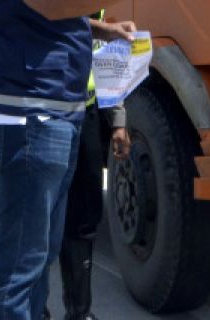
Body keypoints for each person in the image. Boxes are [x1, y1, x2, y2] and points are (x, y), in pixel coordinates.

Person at [0, 0, 210, 320]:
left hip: (59, 115)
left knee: (42, 249)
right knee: (22, 261)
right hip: (32, 118)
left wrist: (102, 27)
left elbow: (51, 13)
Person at [58, 70, 130, 320]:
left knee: (85, 213)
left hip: (87, 111)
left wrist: (118, 120)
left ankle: (79, 312)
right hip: (45, 112)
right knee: (41, 214)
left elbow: (107, 61)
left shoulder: (97, 29)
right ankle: (36, 309)